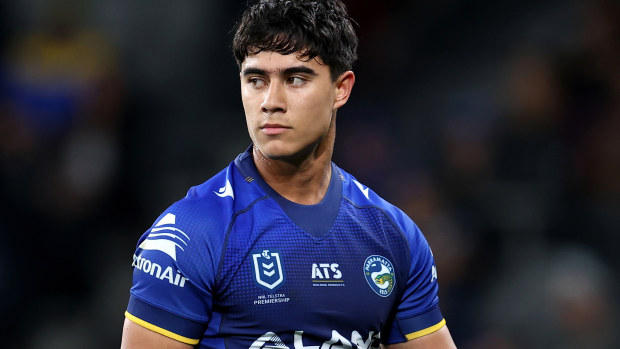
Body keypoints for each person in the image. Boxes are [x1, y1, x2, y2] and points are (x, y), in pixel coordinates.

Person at [120, 0, 457, 348]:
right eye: (256, 80)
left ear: (341, 88)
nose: (270, 101)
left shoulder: (394, 236)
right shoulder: (190, 235)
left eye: (295, 78)